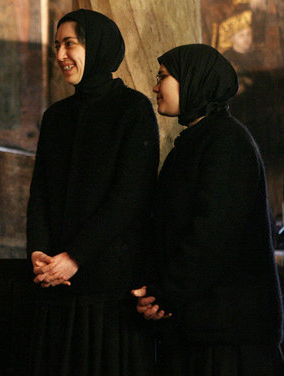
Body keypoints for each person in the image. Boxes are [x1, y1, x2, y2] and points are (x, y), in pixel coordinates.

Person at [132, 43, 284, 375]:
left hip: (229, 338)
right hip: (197, 330)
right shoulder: (194, 142)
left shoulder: (227, 142)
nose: (156, 86)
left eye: (164, 77)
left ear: (193, 80)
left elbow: (211, 235)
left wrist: (163, 295)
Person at [26, 9, 160, 376]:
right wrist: (38, 252)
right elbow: (39, 195)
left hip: (109, 290)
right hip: (57, 286)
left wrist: (75, 256)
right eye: (56, 46)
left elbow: (130, 198)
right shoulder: (56, 116)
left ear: (98, 46)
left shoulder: (132, 109)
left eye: (70, 43)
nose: (60, 55)